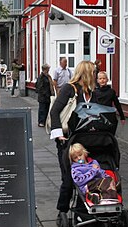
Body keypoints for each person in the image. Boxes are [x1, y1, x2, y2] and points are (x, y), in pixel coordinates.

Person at [49, 60, 99, 214]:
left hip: (86, 140)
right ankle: (62, 211)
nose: (96, 75)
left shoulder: (92, 92)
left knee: (88, 176)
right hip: (68, 140)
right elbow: (55, 111)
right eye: (94, 72)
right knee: (68, 179)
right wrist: (58, 135)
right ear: (88, 73)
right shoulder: (69, 89)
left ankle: (82, 210)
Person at [35, 63, 52, 127]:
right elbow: (39, 87)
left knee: (46, 109)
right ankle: (41, 121)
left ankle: (44, 121)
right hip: (43, 96)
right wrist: (45, 93)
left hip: (47, 96)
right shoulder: (41, 77)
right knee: (42, 109)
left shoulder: (47, 76)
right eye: (48, 69)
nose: (48, 70)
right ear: (45, 69)